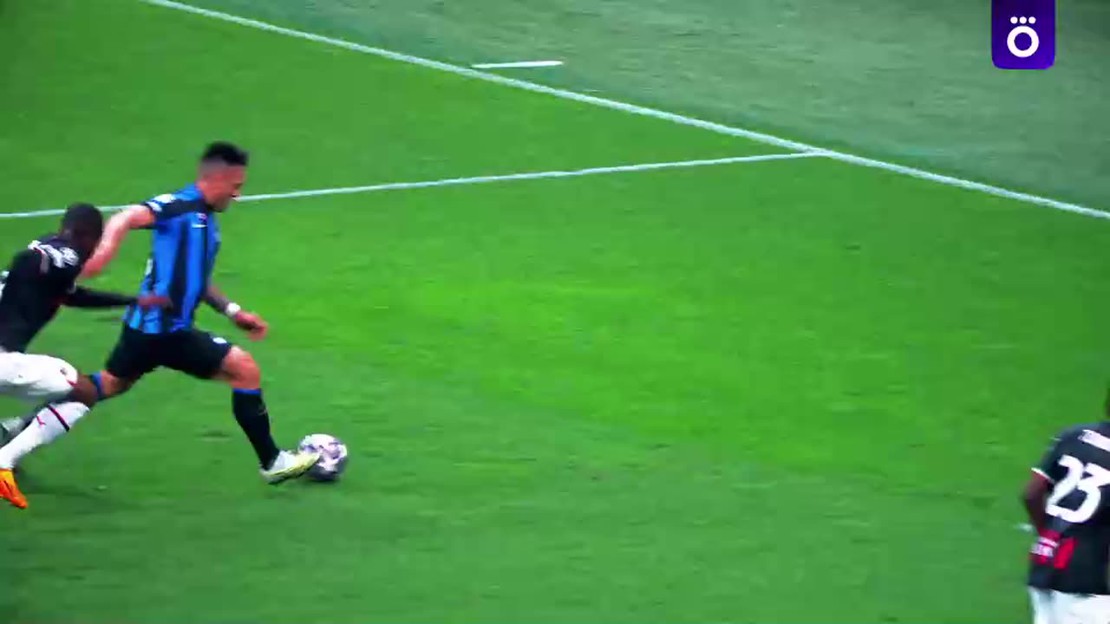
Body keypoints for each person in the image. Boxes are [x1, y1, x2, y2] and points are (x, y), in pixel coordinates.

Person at [0, 142, 319, 510]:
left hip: (145, 329)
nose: (238, 194)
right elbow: (126, 217)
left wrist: (232, 311)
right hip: (163, 330)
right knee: (244, 369)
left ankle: (17, 429)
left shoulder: (205, 221)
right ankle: (272, 462)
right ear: (216, 179)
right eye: (235, 186)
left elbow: (197, 278)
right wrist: (102, 255)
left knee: (106, 385)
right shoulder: (179, 207)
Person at [0, 204, 169, 508]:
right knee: (85, 393)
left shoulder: (48, 247)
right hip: (5, 360)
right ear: (88, 237)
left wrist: (133, 300)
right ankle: (5, 459)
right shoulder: (67, 254)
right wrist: (35, 261)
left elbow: (73, 295)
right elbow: (44, 262)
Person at [1023, 389, 1110, 623]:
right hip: (1087, 576)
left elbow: (1031, 493)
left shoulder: (1073, 435)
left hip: (1045, 561)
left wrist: (1048, 535)